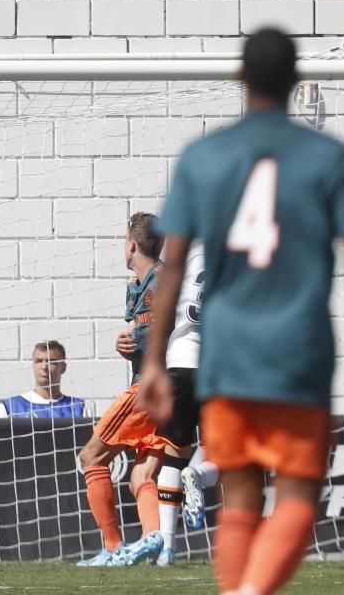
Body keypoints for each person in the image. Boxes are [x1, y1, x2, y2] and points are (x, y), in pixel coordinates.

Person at [139, 28, 344, 595]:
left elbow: (171, 267)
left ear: (239, 79)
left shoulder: (203, 157)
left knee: (240, 493)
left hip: (225, 351)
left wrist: (154, 360)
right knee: (296, 492)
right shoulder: (327, 155)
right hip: (298, 348)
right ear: (296, 81)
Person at [76, 213, 167, 567]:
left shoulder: (161, 282)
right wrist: (127, 341)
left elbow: (162, 330)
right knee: (142, 474)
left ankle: (113, 548)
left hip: (150, 388)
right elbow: (141, 332)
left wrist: (138, 340)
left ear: (131, 244)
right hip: (166, 391)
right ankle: (151, 538)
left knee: (91, 457)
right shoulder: (140, 284)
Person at [153, 240, 220, 566]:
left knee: (172, 455)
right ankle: (197, 474)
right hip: (217, 368)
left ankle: (167, 548)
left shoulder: (184, 249)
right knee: (227, 456)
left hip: (179, 362)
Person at [0, 341, 87, 418]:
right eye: (39, 361)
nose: (44, 366)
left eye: (51, 362)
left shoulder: (80, 408)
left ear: (63, 367)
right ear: (33, 365)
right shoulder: (9, 408)